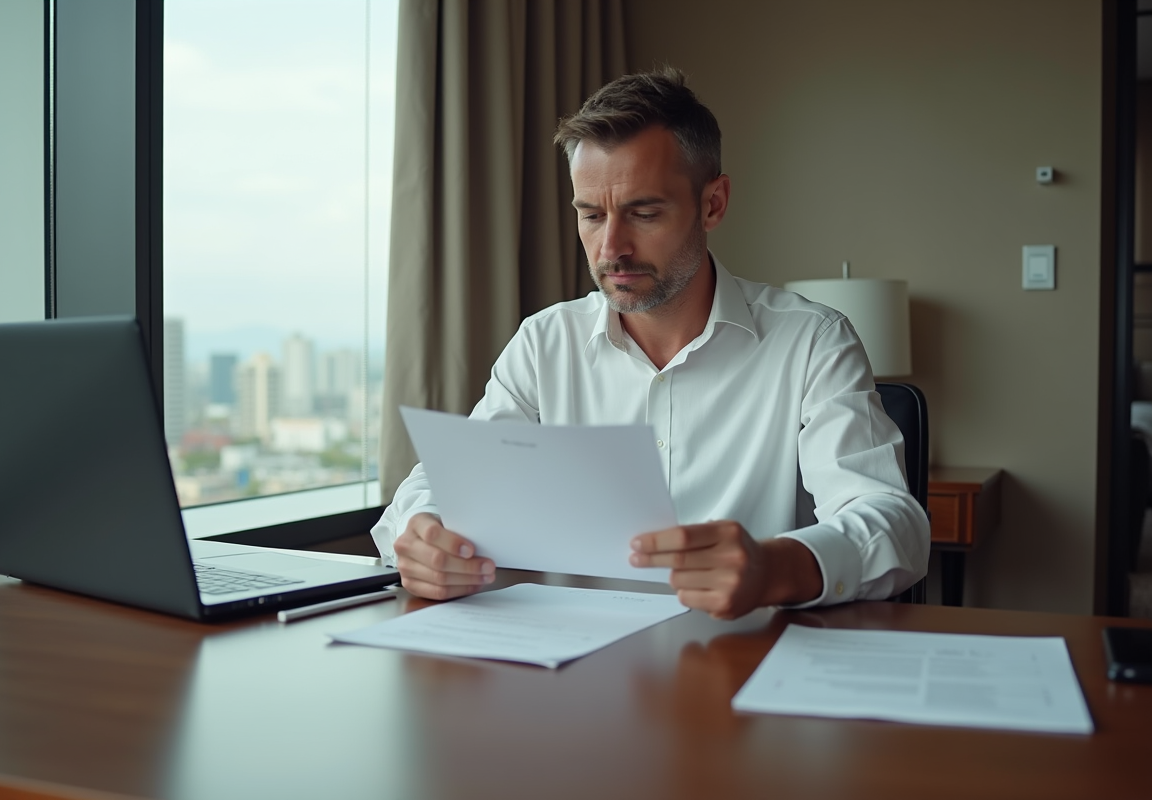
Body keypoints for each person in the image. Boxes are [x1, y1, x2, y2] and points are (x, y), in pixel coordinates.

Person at [370, 67, 929, 618]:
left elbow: (892, 524)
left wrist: (775, 566)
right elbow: (446, 486)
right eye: (591, 215)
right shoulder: (545, 344)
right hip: (572, 671)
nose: (611, 247)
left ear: (712, 204)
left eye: (644, 213)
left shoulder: (812, 342)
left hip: (742, 662)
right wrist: (422, 535)